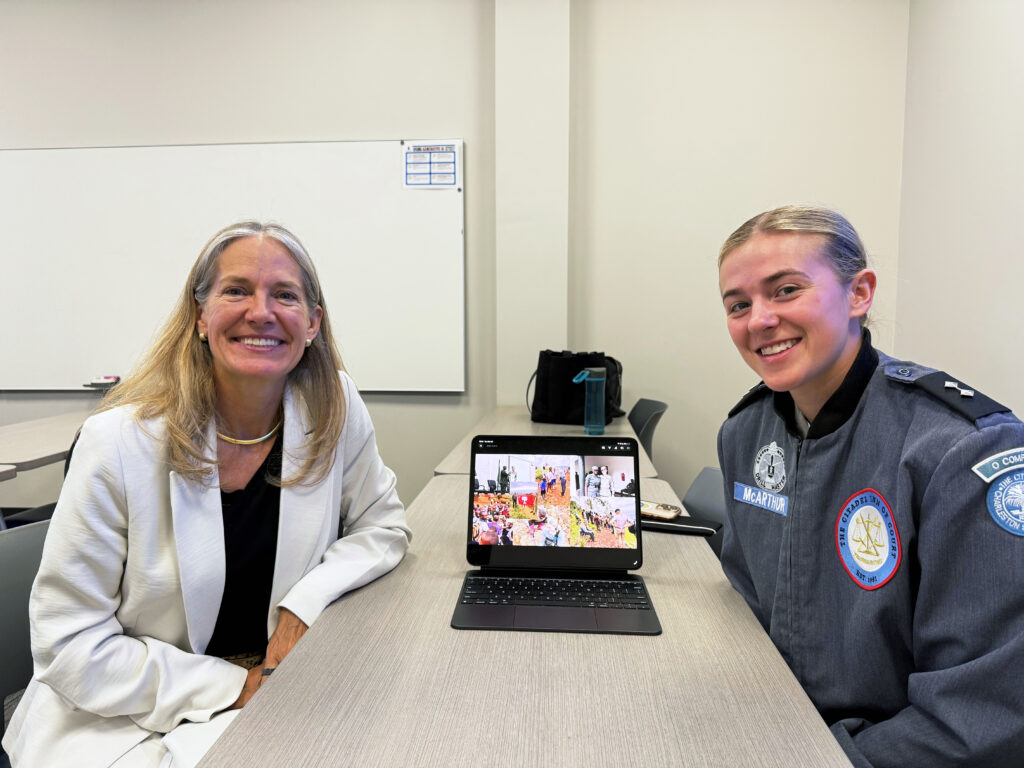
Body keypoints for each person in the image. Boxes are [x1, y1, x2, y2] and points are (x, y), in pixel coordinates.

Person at [2, 222, 412, 768]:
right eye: (236, 290)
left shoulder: (332, 406)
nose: (261, 312)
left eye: (285, 295)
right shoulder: (119, 443)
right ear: (200, 315)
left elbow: (382, 527)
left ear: (312, 322)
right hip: (122, 713)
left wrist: (302, 606)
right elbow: (70, 647)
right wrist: (232, 686)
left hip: (276, 688)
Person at [715, 205, 1024, 768]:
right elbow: (747, 617)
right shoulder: (744, 434)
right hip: (769, 727)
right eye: (738, 304)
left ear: (859, 294)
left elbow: (981, 716)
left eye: (785, 290)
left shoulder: (963, 451)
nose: (758, 319)